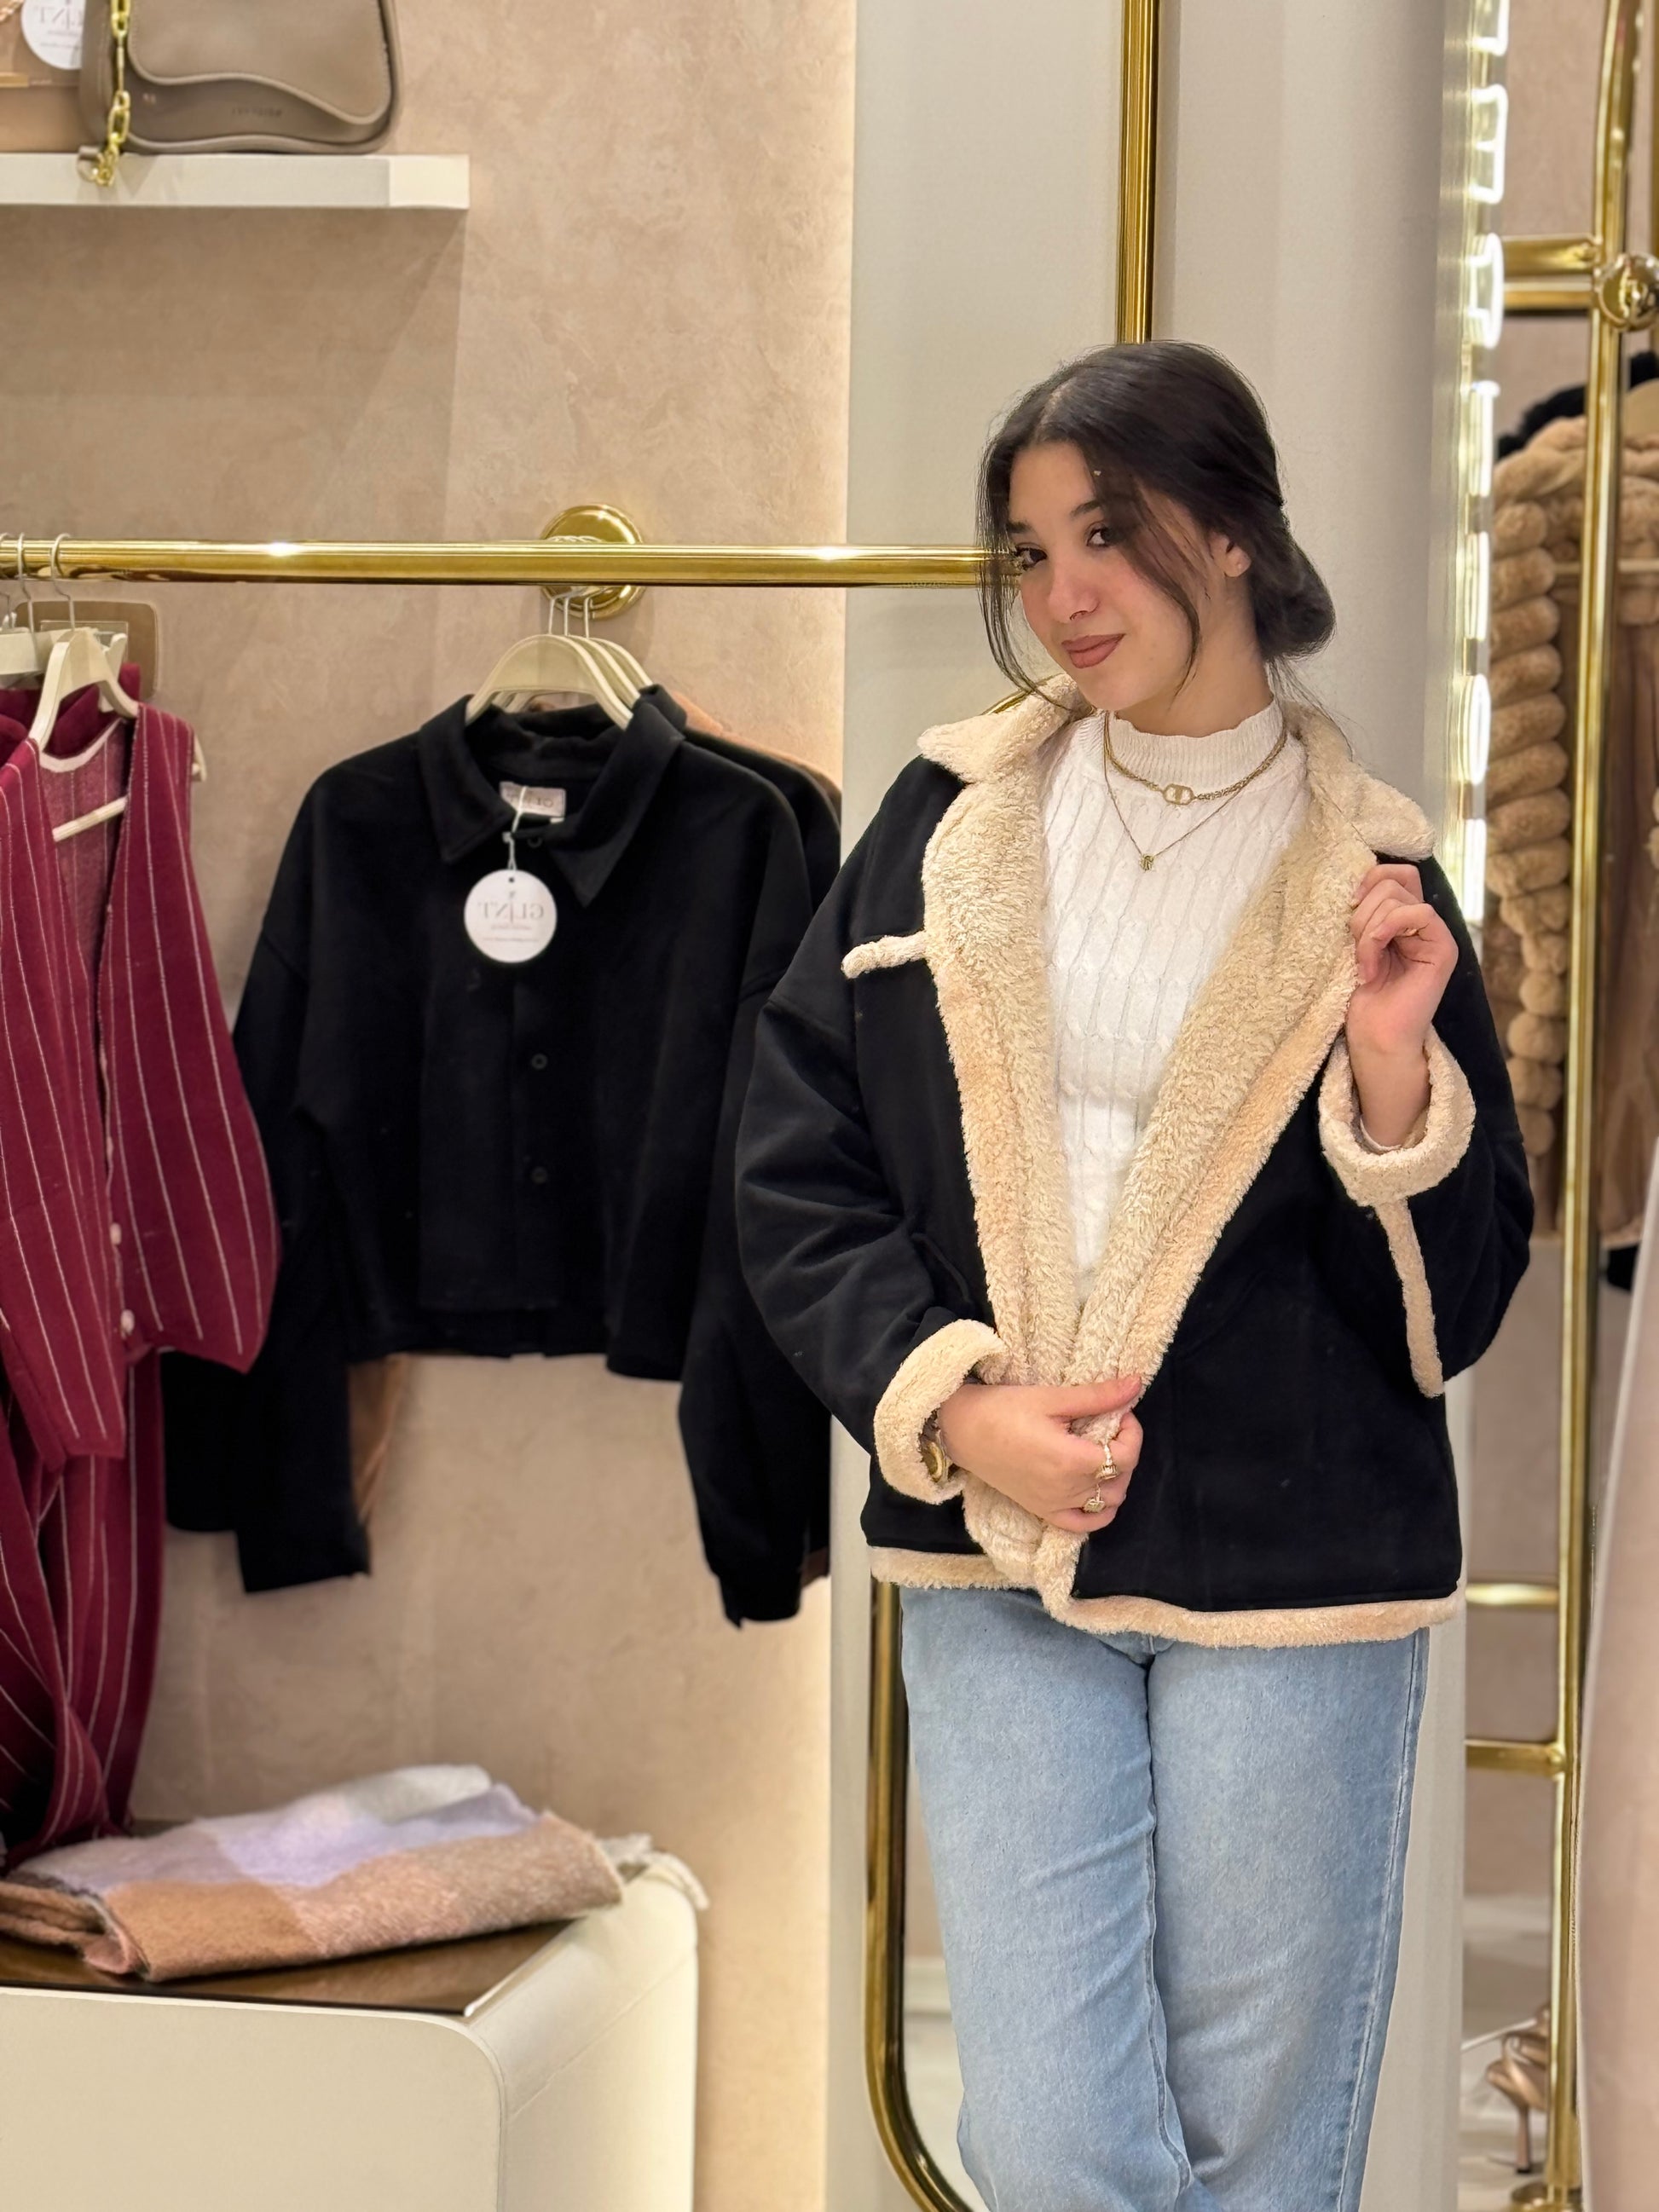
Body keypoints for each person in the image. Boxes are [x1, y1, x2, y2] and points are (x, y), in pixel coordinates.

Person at [737, 339, 1532, 2211]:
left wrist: (1392, 1072)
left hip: (1296, 1568)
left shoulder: (1376, 874)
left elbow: (1457, 1298)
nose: (1063, 594)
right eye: (1028, 552)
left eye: (1107, 532)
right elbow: (793, 1163)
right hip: (998, 1548)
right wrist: (958, 1408)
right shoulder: (944, 827)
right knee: (1049, 2141)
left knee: (1259, 2151)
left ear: (1231, 531)